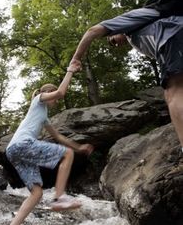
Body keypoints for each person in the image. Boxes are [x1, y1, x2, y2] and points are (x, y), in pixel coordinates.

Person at [0, 62, 94, 225]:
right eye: (54, 99)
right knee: (66, 154)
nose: (56, 101)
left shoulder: (43, 116)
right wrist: (70, 71)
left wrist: (79, 147)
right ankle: (59, 197)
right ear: (47, 93)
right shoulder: (38, 100)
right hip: (22, 145)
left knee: (37, 193)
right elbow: (60, 92)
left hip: (14, 152)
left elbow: (58, 136)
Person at [70, 9, 183, 154]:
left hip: (173, 36)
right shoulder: (137, 36)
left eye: (112, 39)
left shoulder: (129, 21)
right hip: (174, 38)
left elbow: (92, 31)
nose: (115, 43)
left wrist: (76, 58)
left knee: (173, 91)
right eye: (113, 44)